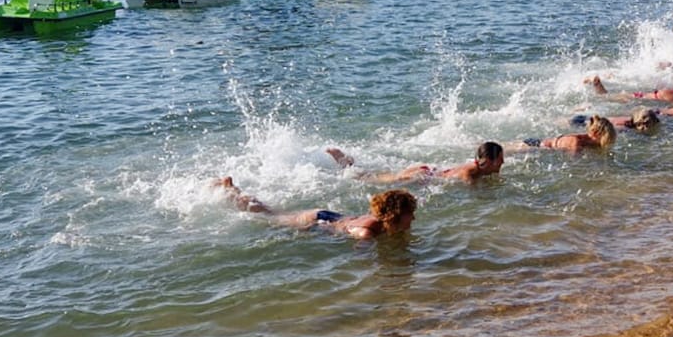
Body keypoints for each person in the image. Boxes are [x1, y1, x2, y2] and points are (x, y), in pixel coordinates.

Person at [214, 178, 417, 239]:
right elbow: (362, 257)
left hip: (330, 215)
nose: (413, 219)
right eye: (410, 215)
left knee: (273, 211)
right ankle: (231, 193)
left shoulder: (382, 222)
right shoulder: (366, 233)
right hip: (316, 220)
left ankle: (235, 191)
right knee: (270, 216)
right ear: (394, 215)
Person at [326, 141, 505, 183]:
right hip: (424, 174)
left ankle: (349, 164)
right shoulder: (471, 172)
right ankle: (347, 166)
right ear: (490, 160)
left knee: (381, 176)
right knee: (377, 180)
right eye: (500, 159)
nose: (503, 162)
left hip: (430, 171)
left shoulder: (480, 167)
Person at [516, 114, 617, 153]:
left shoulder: (587, 140)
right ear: (595, 133)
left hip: (539, 143)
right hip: (533, 146)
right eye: (605, 140)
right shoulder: (576, 143)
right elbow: (574, 165)